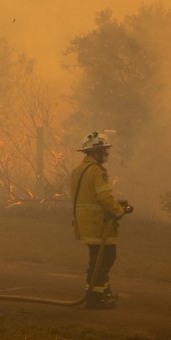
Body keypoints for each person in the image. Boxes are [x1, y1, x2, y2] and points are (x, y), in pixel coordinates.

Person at [70, 130, 133, 309]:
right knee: (105, 259)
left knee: (97, 260)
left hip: (85, 224)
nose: (106, 154)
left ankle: (99, 293)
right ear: (94, 153)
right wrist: (119, 210)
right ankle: (96, 299)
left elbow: (88, 197)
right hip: (99, 225)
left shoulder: (78, 170)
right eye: (104, 151)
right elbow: (104, 198)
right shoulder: (97, 172)